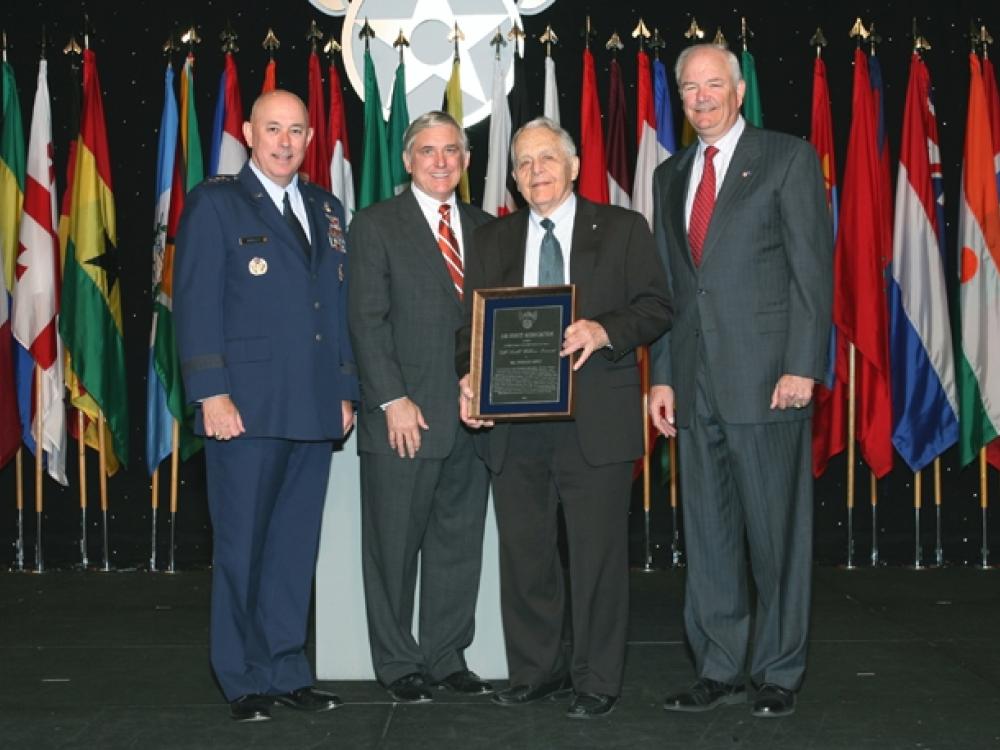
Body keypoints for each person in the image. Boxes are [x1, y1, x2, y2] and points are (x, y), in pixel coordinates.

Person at [457, 117, 672, 719]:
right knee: (526, 557)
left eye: (547, 158)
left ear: (573, 166)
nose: (536, 171)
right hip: (513, 424)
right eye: (523, 163)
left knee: (597, 557)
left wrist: (605, 330)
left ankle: (597, 679)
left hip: (595, 423)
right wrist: (469, 377)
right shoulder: (492, 240)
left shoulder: (624, 229)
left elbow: (657, 305)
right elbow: (468, 331)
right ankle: (536, 671)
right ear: (515, 178)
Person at [648, 44, 833, 718]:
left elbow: (813, 272)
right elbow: (671, 289)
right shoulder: (670, 176)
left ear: (739, 88)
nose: (701, 98)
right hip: (694, 385)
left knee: (776, 536)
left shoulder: (786, 158)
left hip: (768, 380)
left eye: (712, 85)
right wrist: (662, 376)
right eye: (690, 88)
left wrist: (802, 365)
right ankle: (720, 666)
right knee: (709, 534)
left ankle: (779, 670)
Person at [174, 90, 358, 723]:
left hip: (312, 407)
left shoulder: (326, 208)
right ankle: (240, 676)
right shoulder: (216, 204)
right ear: (249, 131)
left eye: (297, 131)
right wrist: (211, 393)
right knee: (241, 548)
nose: (285, 142)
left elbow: (336, 310)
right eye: (273, 129)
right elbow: (195, 306)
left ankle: (286, 667)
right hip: (243, 410)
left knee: (292, 548)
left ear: (310, 138)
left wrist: (344, 388)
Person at [347, 111, 493, 703]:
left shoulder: (487, 228)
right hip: (403, 417)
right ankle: (398, 662)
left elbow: (491, 323)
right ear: (407, 160)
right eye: (427, 151)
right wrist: (391, 400)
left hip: (471, 418)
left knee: (459, 545)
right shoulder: (375, 225)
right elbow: (365, 320)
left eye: (451, 151)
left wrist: (486, 390)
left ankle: (446, 655)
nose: (440, 161)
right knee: (393, 547)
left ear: (464, 160)